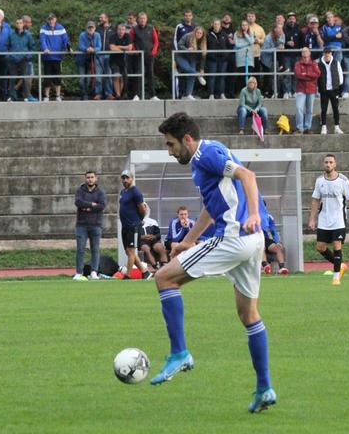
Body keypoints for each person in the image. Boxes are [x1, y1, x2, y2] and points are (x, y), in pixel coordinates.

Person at [153, 112, 276, 414]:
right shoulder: (205, 158)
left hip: (235, 237)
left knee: (164, 278)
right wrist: (190, 239)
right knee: (248, 314)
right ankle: (264, 387)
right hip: (251, 241)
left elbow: (248, 176)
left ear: (187, 139)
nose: (170, 152)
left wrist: (254, 215)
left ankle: (179, 352)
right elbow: (213, 205)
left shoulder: (207, 154)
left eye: (171, 145)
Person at [308, 154, 349, 285]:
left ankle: (336, 276)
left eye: (331, 162)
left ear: (335, 164)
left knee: (337, 244)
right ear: (323, 164)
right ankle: (340, 265)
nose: (328, 164)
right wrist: (312, 219)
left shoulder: (343, 180)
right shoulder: (319, 181)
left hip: (338, 219)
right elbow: (315, 200)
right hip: (323, 220)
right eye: (326, 162)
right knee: (320, 247)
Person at [73, 171, 106, 281]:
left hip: (96, 225)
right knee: (80, 249)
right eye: (88, 177)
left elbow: (101, 206)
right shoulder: (80, 191)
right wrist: (92, 204)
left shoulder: (100, 192)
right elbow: (78, 202)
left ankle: (94, 272)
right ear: (85, 178)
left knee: (95, 249)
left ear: (96, 178)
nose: (90, 179)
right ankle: (78, 272)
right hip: (81, 225)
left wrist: (86, 207)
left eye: (92, 177)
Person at [118, 170, 152, 279]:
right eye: (123, 178)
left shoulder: (136, 192)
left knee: (131, 250)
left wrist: (139, 220)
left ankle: (128, 275)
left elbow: (142, 208)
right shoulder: (123, 192)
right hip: (125, 226)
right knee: (128, 251)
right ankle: (145, 272)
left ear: (132, 179)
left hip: (133, 225)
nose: (125, 180)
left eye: (127, 178)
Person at [129, 12, 159, 100]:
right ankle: (137, 95)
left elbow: (156, 41)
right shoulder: (134, 29)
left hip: (149, 55)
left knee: (150, 74)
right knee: (138, 74)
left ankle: (152, 95)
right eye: (141, 18)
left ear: (146, 19)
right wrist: (135, 50)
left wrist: (153, 51)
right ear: (138, 19)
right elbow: (131, 42)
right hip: (138, 55)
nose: (142, 20)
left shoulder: (151, 28)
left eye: (144, 18)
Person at [40, 13, 69, 102]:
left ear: (55, 19)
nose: (51, 21)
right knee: (47, 77)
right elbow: (42, 40)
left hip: (57, 57)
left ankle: (57, 95)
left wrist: (68, 47)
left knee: (58, 77)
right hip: (47, 57)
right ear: (47, 20)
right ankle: (46, 96)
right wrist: (45, 48)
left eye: (52, 19)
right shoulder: (43, 28)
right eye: (49, 19)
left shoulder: (61, 28)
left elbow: (65, 39)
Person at [7, 17, 37, 102]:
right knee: (12, 78)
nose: (19, 24)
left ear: (23, 24)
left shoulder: (28, 35)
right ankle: (12, 96)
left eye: (20, 23)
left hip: (24, 59)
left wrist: (28, 56)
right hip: (13, 60)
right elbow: (6, 46)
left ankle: (26, 96)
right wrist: (9, 56)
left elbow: (32, 47)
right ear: (15, 25)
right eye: (17, 23)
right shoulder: (11, 34)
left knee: (25, 78)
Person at [294, 47, 320, 134]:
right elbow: (298, 75)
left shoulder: (314, 63)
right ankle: (300, 128)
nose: (305, 54)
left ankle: (307, 128)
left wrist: (306, 74)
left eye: (306, 52)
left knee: (310, 110)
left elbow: (317, 74)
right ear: (301, 54)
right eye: (303, 52)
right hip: (300, 89)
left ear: (309, 53)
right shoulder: (297, 64)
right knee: (299, 108)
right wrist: (310, 76)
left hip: (311, 90)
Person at [175, 26, 206, 99]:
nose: (198, 34)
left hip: (192, 58)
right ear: (195, 32)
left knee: (191, 75)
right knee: (187, 68)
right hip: (181, 56)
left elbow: (203, 56)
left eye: (200, 33)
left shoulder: (203, 41)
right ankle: (198, 74)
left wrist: (201, 68)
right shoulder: (188, 36)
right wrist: (187, 49)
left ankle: (188, 94)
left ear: (202, 34)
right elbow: (179, 45)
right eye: (197, 32)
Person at [318, 47, 344, 134]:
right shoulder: (319, 64)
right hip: (324, 90)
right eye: (326, 53)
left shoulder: (336, 63)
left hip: (334, 90)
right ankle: (324, 127)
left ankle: (337, 127)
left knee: (335, 109)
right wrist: (320, 86)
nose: (327, 54)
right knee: (324, 109)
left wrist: (336, 85)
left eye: (329, 53)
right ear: (323, 54)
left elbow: (340, 75)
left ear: (331, 53)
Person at [77, 21, 102, 100]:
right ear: (86, 28)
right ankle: (83, 94)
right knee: (81, 79)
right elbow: (80, 46)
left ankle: (85, 95)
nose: (90, 29)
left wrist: (93, 49)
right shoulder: (82, 35)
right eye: (89, 27)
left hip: (91, 60)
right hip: (82, 59)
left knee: (88, 80)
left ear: (95, 28)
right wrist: (87, 49)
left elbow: (99, 46)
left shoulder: (97, 35)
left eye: (92, 27)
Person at [139, 203, 168, 270]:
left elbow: (158, 235)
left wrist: (153, 237)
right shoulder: (136, 222)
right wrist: (142, 237)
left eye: (145, 208)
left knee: (160, 247)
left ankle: (165, 266)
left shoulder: (153, 221)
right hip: (142, 242)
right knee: (146, 248)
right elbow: (134, 236)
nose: (144, 210)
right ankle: (155, 266)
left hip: (153, 241)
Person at [205, 19, 229, 99]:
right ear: (212, 25)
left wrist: (226, 55)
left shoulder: (224, 34)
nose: (216, 25)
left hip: (223, 60)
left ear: (220, 25)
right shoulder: (208, 35)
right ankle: (211, 94)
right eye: (215, 24)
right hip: (212, 60)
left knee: (221, 77)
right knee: (212, 77)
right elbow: (205, 47)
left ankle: (222, 93)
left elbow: (228, 46)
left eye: (218, 24)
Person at [108, 24, 133, 100]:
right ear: (117, 30)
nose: (121, 31)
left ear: (125, 30)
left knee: (123, 78)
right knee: (116, 76)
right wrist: (124, 49)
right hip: (114, 60)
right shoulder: (113, 36)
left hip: (124, 61)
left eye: (122, 29)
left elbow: (130, 48)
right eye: (119, 29)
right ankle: (118, 95)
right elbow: (112, 48)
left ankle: (122, 93)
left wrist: (118, 47)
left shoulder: (127, 36)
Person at [260, 24, 285, 97]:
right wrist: (276, 48)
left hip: (274, 59)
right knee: (268, 77)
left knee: (274, 76)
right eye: (279, 29)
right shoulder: (268, 38)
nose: (281, 30)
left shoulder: (280, 35)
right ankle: (266, 93)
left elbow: (281, 44)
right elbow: (264, 50)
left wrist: (281, 44)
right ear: (275, 29)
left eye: (281, 29)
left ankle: (275, 92)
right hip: (266, 60)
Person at [282, 12, 303, 98]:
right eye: (290, 19)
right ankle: (287, 91)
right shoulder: (283, 29)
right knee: (286, 73)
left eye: (293, 18)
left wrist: (302, 48)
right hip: (286, 55)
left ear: (295, 19)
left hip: (296, 55)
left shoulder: (299, 30)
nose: (291, 20)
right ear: (287, 20)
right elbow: (280, 41)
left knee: (296, 74)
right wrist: (287, 43)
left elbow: (302, 42)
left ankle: (294, 91)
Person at [95, 13, 115, 100]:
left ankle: (109, 93)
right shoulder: (97, 29)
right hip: (98, 54)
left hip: (109, 54)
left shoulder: (113, 29)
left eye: (102, 17)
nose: (100, 19)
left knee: (108, 75)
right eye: (99, 17)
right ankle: (98, 93)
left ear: (107, 18)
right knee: (98, 76)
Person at [222, 13, 237, 98]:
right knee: (223, 74)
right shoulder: (219, 28)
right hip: (223, 54)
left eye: (228, 18)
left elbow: (237, 41)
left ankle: (231, 93)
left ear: (231, 19)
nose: (227, 19)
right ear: (223, 19)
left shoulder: (234, 29)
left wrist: (233, 40)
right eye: (225, 17)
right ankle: (222, 93)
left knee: (232, 74)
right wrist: (227, 37)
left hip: (232, 54)